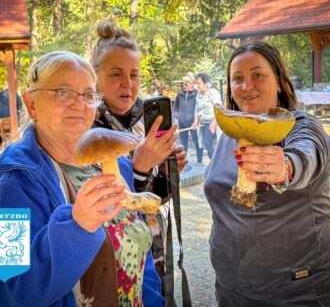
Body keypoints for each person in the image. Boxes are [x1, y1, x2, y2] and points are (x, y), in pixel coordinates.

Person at [0, 51, 164, 307]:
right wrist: (78, 226)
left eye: (88, 95)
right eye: (62, 91)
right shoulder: (12, 182)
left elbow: (143, 256)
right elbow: (12, 287)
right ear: (31, 104)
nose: (79, 104)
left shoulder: (115, 162)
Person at [204, 40, 330, 307]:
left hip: (297, 290)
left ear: (278, 81)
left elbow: (306, 154)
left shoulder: (301, 125)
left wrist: (285, 169)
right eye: (237, 78)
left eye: (257, 75)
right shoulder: (230, 134)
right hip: (232, 288)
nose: (247, 86)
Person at [90, 19, 187, 282]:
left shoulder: (148, 117)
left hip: (154, 248)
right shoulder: (86, 130)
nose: (127, 83)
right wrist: (140, 168)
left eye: (134, 74)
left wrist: (169, 171)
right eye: (116, 74)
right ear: (94, 77)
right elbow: (102, 208)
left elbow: (155, 201)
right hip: (113, 256)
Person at [192, 73, 222, 160]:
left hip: (213, 123)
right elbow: (196, 110)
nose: (197, 85)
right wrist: (195, 121)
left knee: (207, 142)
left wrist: (213, 124)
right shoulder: (198, 94)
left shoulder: (213, 93)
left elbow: (219, 109)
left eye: (199, 83)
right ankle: (214, 163)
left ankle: (214, 164)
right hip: (203, 124)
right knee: (206, 143)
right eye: (196, 83)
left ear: (206, 83)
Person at [174, 74, 203, 163]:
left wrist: (196, 121)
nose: (193, 85)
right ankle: (184, 163)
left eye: (193, 83)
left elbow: (199, 108)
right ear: (185, 84)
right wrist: (178, 116)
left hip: (193, 124)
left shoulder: (196, 93)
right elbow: (175, 107)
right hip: (182, 123)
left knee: (198, 144)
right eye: (190, 83)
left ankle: (199, 163)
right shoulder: (180, 94)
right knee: (183, 145)